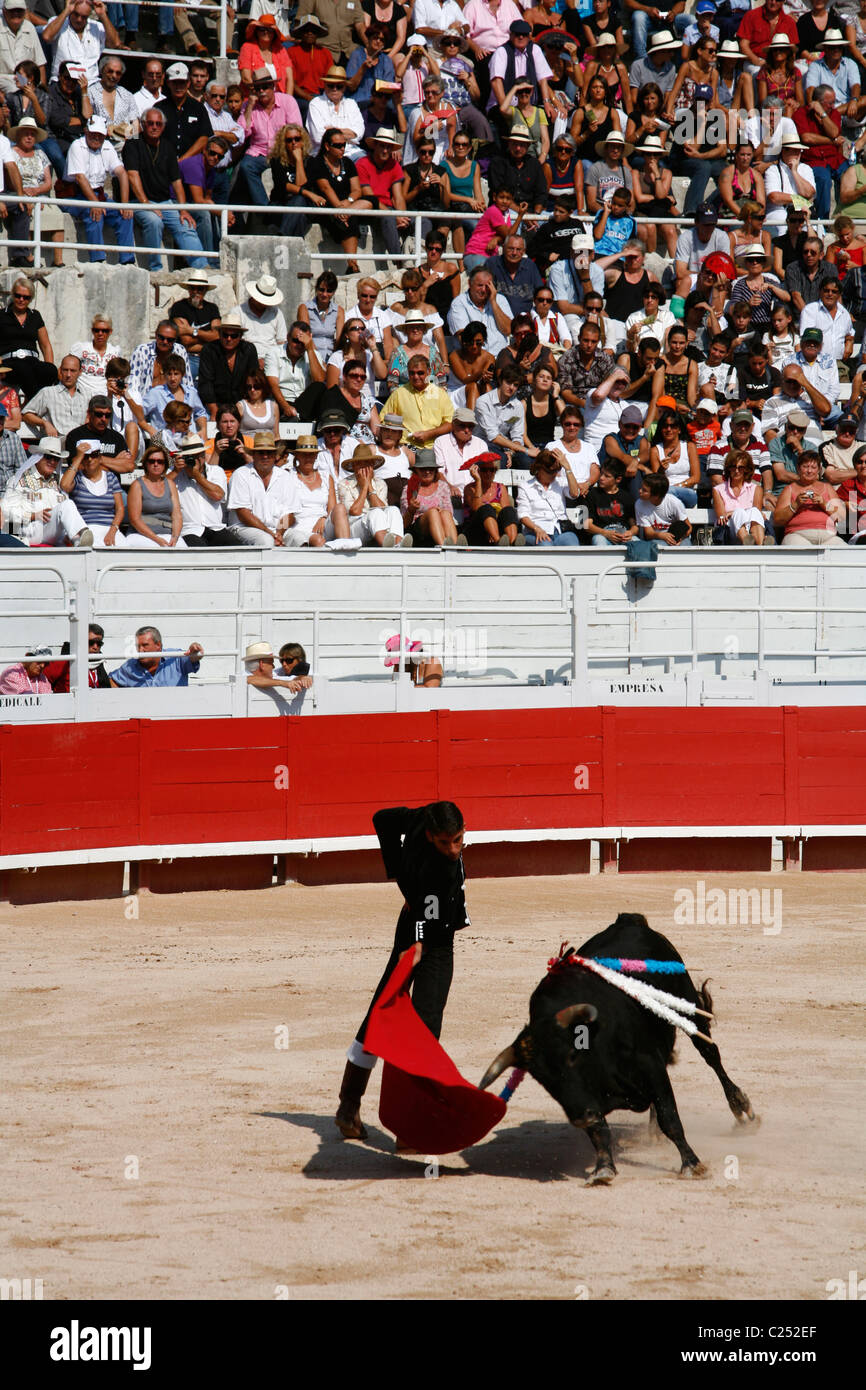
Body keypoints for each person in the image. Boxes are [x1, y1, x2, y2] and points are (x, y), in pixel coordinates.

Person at [335, 800, 469, 1144]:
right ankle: (409, 1127)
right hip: (433, 942)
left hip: (411, 928)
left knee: (382, 1011)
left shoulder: (419, 818)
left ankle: (348, 1108)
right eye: (444, 842)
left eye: (458, 839)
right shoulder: (439, 867)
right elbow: (428, 918)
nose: (453, 850)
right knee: (425, 1029)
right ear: (429, 836)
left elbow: (380, 818)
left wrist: (397, 873)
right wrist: (420, 944)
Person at [123, 106, 206, 273]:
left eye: (158, 124)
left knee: (186, 224)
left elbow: (176, 182)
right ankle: (156, 270)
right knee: (154, 222)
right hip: (140, 202)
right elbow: (133, 176)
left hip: (166, 202)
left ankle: (202, 268)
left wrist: (182, 209)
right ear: (143, 124)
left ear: (163, 126)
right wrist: (147, 204)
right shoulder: (132, 144)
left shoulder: (167, 147)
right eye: (150, 123)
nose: (154, 127)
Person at [0, 437, 93, 547]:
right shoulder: (19, 480)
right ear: (38, 457)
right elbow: (6, 514)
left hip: (51, 531)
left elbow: (62, 515)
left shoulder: (57, 484)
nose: (52, 462)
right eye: (48, 457)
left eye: (56, 459)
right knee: (67, 505)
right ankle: (78, 538)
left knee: (68, 506)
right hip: (28, 529)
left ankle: (77, 539)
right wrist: (33, 515)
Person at [227, 429, 303, 547]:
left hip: (276, 530)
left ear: (275, 456)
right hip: (243, 527)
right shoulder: (241, 474)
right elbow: (243, 514)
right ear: (253, 455)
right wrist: (271, 534)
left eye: (269, 453)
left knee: (300, 539)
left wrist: (279, 533)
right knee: (266, 540)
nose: (265, 456)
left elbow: (290, 514)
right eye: (261, 452)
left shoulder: (285, 476)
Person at [169, 432, 245, 548]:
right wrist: (175, 471)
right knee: (199, 550)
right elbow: (158, 488)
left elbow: (218, 495)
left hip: (216, 528)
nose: (193, 460)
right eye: (189, 457)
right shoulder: (176, 475)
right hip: (189, 530)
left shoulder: (216, 471)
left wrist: (196, 476)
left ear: (203, 456)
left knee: (239, 549)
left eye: (196, 456)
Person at [339, 440, 410, 547]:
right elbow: (354, 512)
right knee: (375, 513)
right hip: (354, 527)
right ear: (354, 467)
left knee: (393, 510)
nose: (364, 469)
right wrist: (364, 488)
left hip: (378, 524)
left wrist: (370, 486)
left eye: (367, 464)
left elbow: (383, 509)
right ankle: (388, 547)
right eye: (360, 465)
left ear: (372, 466)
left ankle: (398, 544)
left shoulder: (380, 483)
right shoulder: (344, 484)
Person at [773, 449, 846, 546]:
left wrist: (824, 504)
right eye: (805, 467)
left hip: (828, 537)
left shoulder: (827, 487)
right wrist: (795, 504)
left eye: (813, 467)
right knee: (799, 549)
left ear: (819, 470)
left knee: (844, 551)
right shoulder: (789, 489)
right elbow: (778, 519)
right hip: (798, 535)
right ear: (798, 468)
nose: (809, 471)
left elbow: (841, 517)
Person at [198, 314, 260, 422]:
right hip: (214, 404)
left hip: (242, 404)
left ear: (240, 336)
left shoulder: (249, 350)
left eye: (234, 336)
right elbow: (206, 383)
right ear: (219, 334)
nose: (229, 339)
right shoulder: (209, 350)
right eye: (225, 335)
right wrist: (214, 412)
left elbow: (254, 380)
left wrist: (245, 407)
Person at [516, 448, 582, 546]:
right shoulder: (525, 486)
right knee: (545, 545)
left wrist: (567, 468)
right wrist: (536, 529)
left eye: (556, 471)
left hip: (559, 531)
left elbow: (575, 493)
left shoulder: (560, 482)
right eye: (550, 472)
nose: (554, 475)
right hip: (535, 532)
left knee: (571, 541)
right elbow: (522, 515)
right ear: (540, 469)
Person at [383, 356, 453, 446]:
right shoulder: (398, 394)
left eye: (420, 373)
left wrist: (429, 434)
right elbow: (383, 420)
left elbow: (450, 424)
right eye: (412, 373)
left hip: (433, 446)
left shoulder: (440, 394)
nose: (416, 377)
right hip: (406, 446)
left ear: (429, 372)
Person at [126, 444, 185, 549]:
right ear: (146, 464)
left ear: (165, 465)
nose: (156, 464)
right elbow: (135, 519)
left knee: (183, 550)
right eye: (152, 461)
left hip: (167, 534)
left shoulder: (170, 484)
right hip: (142, 535)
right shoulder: (137, 485)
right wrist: (157, 540)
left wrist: (175, 537)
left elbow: (177, 515)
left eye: (160, 461)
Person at [401, 448, 463, 545]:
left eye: (431, 469)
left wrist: (439, 511)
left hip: (440, 526)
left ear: (435, 470)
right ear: (416, 471)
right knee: (433, 512)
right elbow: (404, 524)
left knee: (445, 513)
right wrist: (411, 509)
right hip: (417, 532)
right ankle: (444, 547)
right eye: (423, 469)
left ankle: (454, 547)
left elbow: (449, 513)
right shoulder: (409, 488)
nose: (427, 472)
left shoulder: (443, 486)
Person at [21, 353, 89, 442]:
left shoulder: (87, 394)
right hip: (54, 444)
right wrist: (44, 423)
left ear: (80, 372)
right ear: (60, 370)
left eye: (73, 371)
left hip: (79, 444)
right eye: (65, 370)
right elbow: (26, 414)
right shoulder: (47, 392)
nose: (68, 375)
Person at [110, 625, 204, 687]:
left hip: (173, 715)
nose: (140, 650)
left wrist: (195, 652)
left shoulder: (175, 658)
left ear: (158, 645)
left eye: (145, 645)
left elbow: (192, 658)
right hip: (143, 715)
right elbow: (112, 680)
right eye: (138, 646)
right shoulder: (130, 665)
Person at [461, 454, 522, 545]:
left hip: (498, 528)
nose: (488, 473)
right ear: (478, 471)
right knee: (486, 508)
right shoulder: (470, 488)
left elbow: (505, 513)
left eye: (492, 470)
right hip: (477, 530)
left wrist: (494, 528)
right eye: (484, 470)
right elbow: (477, 508)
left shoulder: (500, 487)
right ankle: (498, 542)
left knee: (509, 510)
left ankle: (512, 543)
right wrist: (478, 481)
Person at [713, 449, 768, 545]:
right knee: (739, 512)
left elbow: (756, 513)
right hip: (729, 532)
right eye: (733, 467)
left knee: (754, 511)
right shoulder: (718, 490)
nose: (736, 471)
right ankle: (754, 543)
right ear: (728, 469)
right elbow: (722, 517)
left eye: (741, 468)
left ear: (746, 469)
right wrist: (735, 513)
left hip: (752, 529)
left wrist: (731, 512)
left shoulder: (756, 489)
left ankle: (757, 545)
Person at [585, 458, 638, 547]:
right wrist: (605, 533)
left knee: (638, 544)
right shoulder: (592, 494)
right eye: (601, 474)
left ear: (618, 479)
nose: (601, 478)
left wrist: (630, 533)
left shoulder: (627, 497)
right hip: (601, 535)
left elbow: (635, 526)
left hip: (623, 534)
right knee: (599, 540)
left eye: (607, 476)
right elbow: (586, 525)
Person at [635, 470, 692, 547]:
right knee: (655, 546)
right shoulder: (639, 504)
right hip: (656, 538)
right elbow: (648, 533)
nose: (639, 491)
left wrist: (680, 539)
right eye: (641, 488)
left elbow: (688, 527)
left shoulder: (674, 502)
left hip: (678, 537)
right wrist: (662, 535)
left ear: (656, 496)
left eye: (644, 490)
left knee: (685, 546)